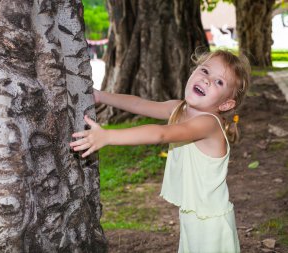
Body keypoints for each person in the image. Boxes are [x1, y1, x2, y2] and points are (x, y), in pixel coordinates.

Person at [70, 49, 251, 253]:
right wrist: (101, 96)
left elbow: (161, 134)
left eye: (219, 82)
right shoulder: (179, 109)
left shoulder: (209, 124)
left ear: (226, 104)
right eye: (205, 71)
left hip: (211, 223)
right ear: (193, 72)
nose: (207, 80)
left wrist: (109, 136)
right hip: (194, 216)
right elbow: (139, 104)